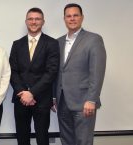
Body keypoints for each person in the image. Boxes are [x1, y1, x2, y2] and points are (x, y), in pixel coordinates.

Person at [54, 3, 106, 145]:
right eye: (68, 16)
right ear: (64, 19)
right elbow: (57, 72)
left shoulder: (93, 39)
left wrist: (92, 99)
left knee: (83, 141)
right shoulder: (58, 42)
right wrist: (54, 96)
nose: (72, 19)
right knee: (67, 141)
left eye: (75, 15)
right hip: (62, 102)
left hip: (84, 103)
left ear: (82, 17)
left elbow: (97, 72)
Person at [9, 8, 60, 145]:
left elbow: (51, 72)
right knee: (22, 137)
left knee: (42, 138)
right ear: (26, 22)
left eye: (37, 19)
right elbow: (12, 71)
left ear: (43, 21)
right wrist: (23, 93)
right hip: (21, 99)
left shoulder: (52, 43)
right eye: (30, 19)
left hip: (42, 99)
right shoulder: (17, 44)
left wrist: (32, 93)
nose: (34, 22)